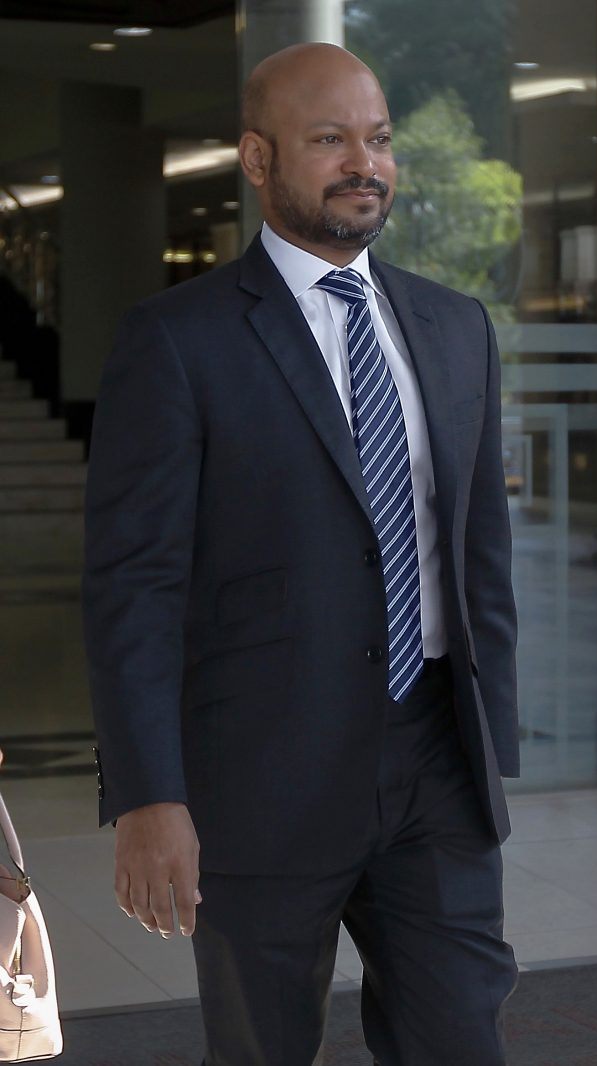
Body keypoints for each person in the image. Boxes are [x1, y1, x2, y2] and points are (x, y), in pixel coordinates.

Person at [82, 42, 520, 1066]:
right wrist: (149, 795)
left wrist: (491, 753)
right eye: (329, 139)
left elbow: (480, 559)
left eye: (379, 139)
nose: (364, 163)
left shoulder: (456, 327)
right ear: (256, 159)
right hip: (259, 778)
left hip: (435, 767)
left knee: (461, 1041)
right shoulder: (177, 340)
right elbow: (134, 585)